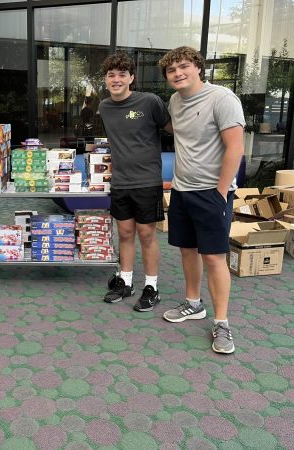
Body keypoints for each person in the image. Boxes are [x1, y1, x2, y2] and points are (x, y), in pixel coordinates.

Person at [158, 46, 245, 354]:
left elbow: (235, 147)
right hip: (182, 190)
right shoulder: (174, 100)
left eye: (183, 66)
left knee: (213, 257)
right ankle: (193, 303)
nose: (177, 73)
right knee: (187, 251)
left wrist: (221, 192)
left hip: (212, 192)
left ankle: (222, 322)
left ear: (198, 67)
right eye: (171, 70)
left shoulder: (222, 99)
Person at [98, 52, 172, 311]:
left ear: (131, 78)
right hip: (120, 182)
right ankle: (125, 281)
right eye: (111, 75)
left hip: (147, 181)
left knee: (146, 234)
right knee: (125, 233)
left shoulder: (150, 102)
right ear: (106, 80)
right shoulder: (104, 107)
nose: (116, 79)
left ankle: (152, 287)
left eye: (122, 75)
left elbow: (175, 129)